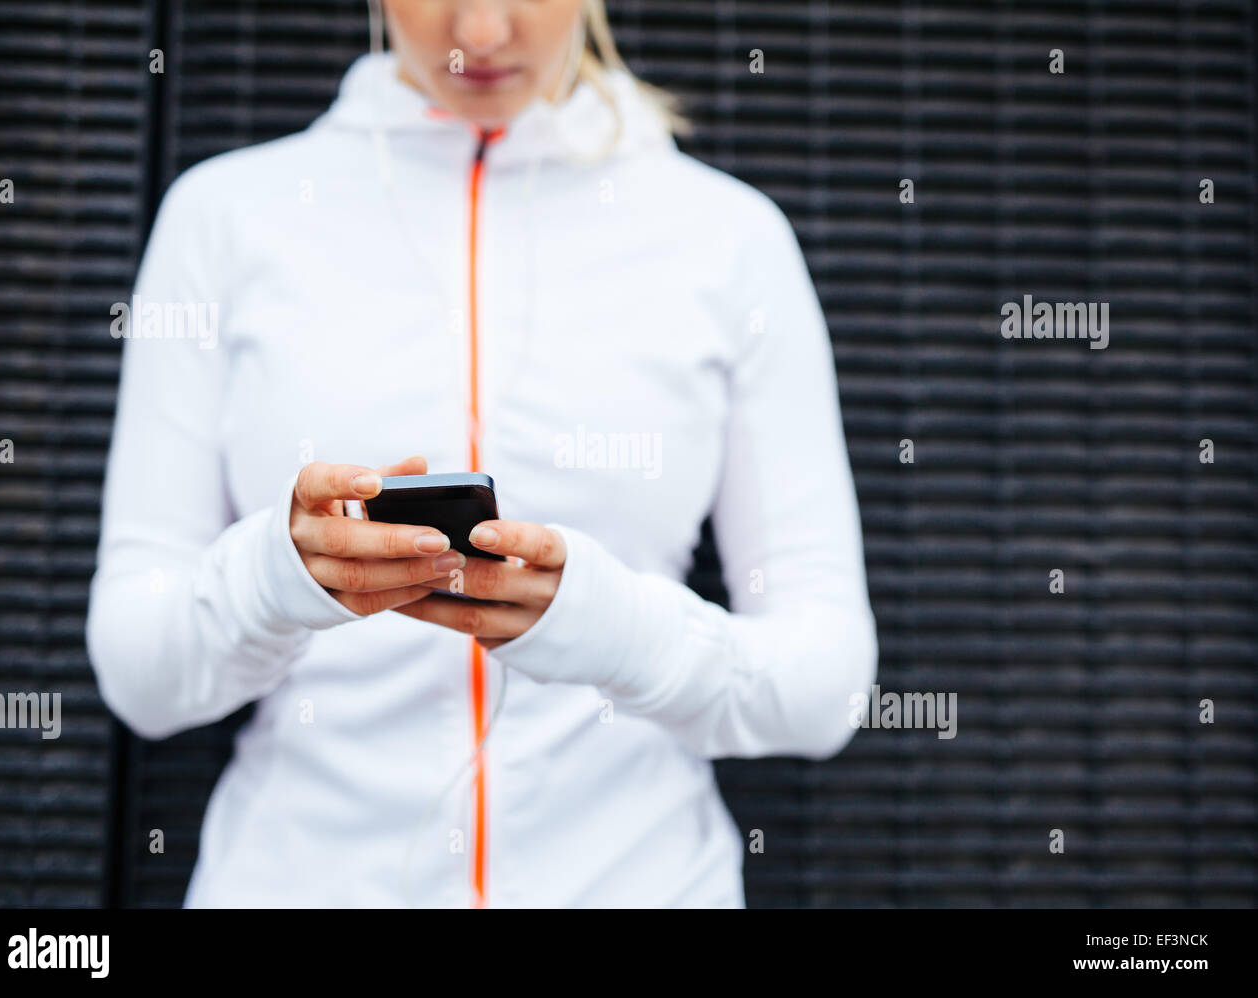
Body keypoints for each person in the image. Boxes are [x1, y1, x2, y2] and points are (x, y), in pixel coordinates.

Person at [85, 0, 878, 908]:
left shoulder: (730, 237)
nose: (484, 31)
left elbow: (826, 684)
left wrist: (613, 629)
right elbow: (139, 673)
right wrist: (276, 580)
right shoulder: (223, 218)